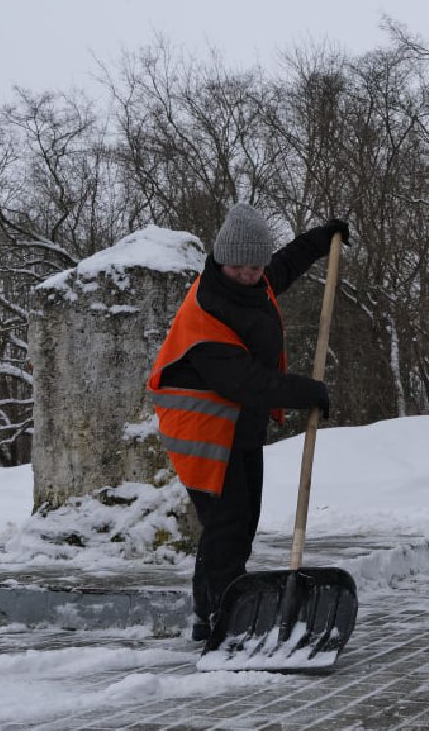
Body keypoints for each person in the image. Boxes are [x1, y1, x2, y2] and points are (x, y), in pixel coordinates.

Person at [147, 204, 349, 640]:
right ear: (222, 260)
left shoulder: (257, 282)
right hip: (202, 431)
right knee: (227, 525)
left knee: (240, 523)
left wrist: (321, 237)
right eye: (237, 266)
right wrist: (307, 391)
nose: (247, 273)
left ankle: (217, 609)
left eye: (254, 266)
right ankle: (216, 616)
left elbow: (285, 264)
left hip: (237, 426)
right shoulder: (207, 308)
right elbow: (246, 382)